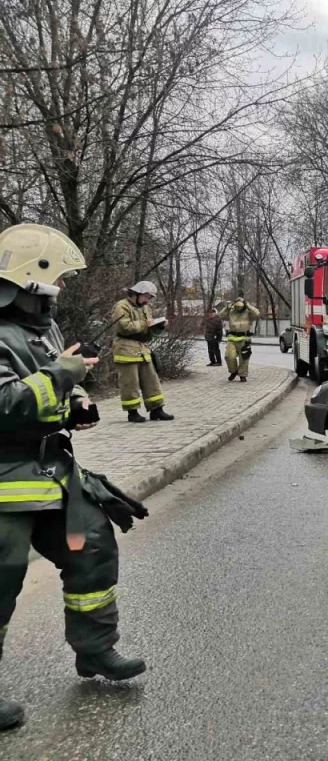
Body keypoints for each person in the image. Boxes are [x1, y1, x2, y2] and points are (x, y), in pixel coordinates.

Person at [0, 224, 149, 732]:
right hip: (5, 480)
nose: (62, 287)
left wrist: (78, 404)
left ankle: (96, 651)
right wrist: (63, 375)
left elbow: (57, 384)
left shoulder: (46, 329)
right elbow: (5, 403)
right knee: (1, 576)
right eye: (58, 278)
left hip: (52, 473)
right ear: (30, 277)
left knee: (93, 549)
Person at [111, 281, 174, 423]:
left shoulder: (145, 308)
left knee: (152, 381)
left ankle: (157, 410)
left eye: (149, 297)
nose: (147, 300)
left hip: (143, 348)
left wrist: (159, 327)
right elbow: (124, 327)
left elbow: (149, 332)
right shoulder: (122, 306)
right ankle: (132, 412)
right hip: (126, 349)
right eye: (146, 296)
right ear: (137, 293)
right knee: (130, 383)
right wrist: (145, 324)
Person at [219, 296, 260, 382]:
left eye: (240, 306)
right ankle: (234, 371)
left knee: (244, 358)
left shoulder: (248, 312)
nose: (238, 308)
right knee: (229, 356)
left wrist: (248, 305)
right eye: (237, 306)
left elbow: (257, 314)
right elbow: (220, 315)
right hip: (232, 338)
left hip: (244, 338)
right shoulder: (231, 312)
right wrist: (227, 307)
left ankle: (242, 375)